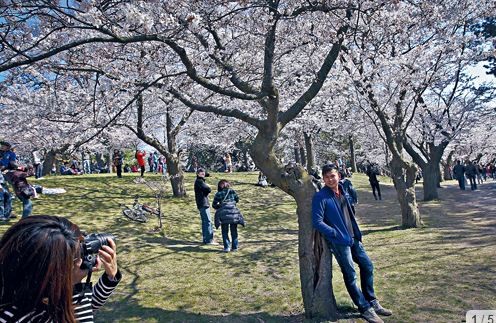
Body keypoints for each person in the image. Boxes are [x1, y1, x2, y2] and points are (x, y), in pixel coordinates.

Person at [0, 215, 121, 322]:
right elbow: (75, 316)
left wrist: (110, 279)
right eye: (75, 257)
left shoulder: (30, 294)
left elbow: (85, 307)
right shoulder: (22, 315)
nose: (80, 261)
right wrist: (74, 285)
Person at [312, 164, 392, 323]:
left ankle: (372, 301)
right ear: (323, 178)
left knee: (367, 266)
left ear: (338, 176)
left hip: (353, 237)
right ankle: (364, 308)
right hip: (339, 242)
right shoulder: (321, 197)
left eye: (332, 176)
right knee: (350, 275)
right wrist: (334, 233)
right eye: (326, 177)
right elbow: (317, 221)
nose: (330, 179)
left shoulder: (342, 189)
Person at [212, 179, 245, 252]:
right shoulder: (232, 191)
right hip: (233, 213)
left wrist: (220, 206)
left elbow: (214, 205)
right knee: (234, 231)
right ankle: (235, 247)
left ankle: (227, 247)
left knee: (224, 231)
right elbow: (237, 199)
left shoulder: (218, 194)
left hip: (223, 215)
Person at [194, 168, 214, 244]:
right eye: (201, 173)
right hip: (203, 204)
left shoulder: (200, 181)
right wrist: (207, 188)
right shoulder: (199, 181)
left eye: (203, 173)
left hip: (202, 203)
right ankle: (209, 240)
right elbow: (208, 189)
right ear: (198, 174)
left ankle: (205, 239)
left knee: (205, 222)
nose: (203, 174)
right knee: (208, 221)